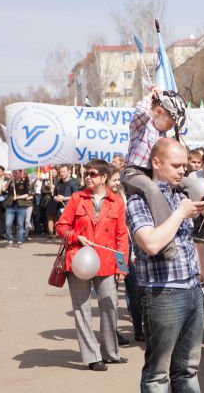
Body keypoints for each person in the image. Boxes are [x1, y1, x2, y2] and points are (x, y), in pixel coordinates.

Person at [126, 138, 204, 392]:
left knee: (187, 370)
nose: (183, 171)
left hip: (192, 290)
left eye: (185, 165)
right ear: (156, 162)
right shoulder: (139, 199)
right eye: (176, 165)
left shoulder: (181, 195)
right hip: (163, 293)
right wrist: (180, 214)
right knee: (158, 374)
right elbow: (150, 244)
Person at [55, 159, 129, 371]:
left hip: (105, 262)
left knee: (110, 305)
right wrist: (77, 237)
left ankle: (111, 353)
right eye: (86, 173)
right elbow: (61, 227)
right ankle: (92, 356)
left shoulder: (116, 201)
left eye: (93, 174)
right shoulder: (77, 198)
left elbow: (122, 236)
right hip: (78, 261)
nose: (88, 176)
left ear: (104, 177)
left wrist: (121, 267)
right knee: (82, 309)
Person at [121, 87, 187, 263]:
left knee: (189, 184)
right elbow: (141, 112)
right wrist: (150, 96)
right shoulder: (142, 125)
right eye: (170, 123)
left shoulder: (163, 135)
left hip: (152, 173)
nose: (171, 127)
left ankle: (202, 226)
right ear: (158, 111)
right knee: (152, 189)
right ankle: (167, 239)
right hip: (134, 173)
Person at [107, 165, 139, 344]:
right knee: (111, 292)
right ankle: (112, 331)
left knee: (133, 286)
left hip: (124, 248)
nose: (118, 183)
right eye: (114, 180)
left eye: (119, 180)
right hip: (109, 250)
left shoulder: (124, 196)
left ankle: (139, 329)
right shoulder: (104, 200)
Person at [2, 170, 32, 249]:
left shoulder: (24, 182)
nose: (14, 174)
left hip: (21, 206)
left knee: (20, 225)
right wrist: (9, 180)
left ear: (20, 173)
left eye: (16, 173)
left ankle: (19, 241)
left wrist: (18, 197)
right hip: (10, 206)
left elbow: (27, 194)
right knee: (8, 224)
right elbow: (3, 190)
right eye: (13, 173)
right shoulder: (9, 181)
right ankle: (10, 241)